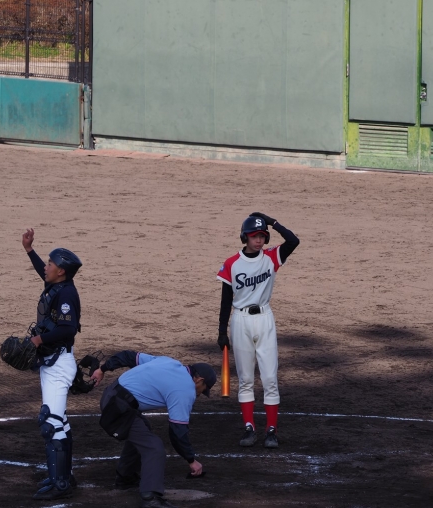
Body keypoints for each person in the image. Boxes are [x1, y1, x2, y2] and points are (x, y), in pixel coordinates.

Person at [90, 351, 216, 508]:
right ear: (199, 380)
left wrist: (102, 369)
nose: (200, 394)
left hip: (112, 395)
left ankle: (126, 476)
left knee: (142, 430)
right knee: (154, 448)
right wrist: (191, 460)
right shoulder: (186, 389)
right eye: (204, 389)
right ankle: (150, 498)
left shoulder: (169, 362)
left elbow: (129, 356)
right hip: (118, 408)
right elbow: (177, 431)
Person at [216, 212, 300, 448]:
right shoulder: (232, 263)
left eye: (262, 235)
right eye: (254, 236)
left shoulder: (272, 257)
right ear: (245, 237)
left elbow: (293, 241)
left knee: (270, 378)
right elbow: (225, 301)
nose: (259, 240)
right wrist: (222, 330)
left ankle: (271, 430)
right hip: (240, 320)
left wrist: (273, 222)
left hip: (265, 319)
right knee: (245, 379)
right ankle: (249, 428)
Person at [21, 228, 82, 501]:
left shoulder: (67, 295)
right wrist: (29, 251)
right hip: (53, 361)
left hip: (58, 364)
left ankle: (60, 485)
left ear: (62, 271)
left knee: (51, 424)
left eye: (50, 263)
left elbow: (68, 329)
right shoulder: (58, 286)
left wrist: (39, 339)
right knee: (60, 422)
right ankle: (64, 476)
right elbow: (42, 273)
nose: (45, 267)